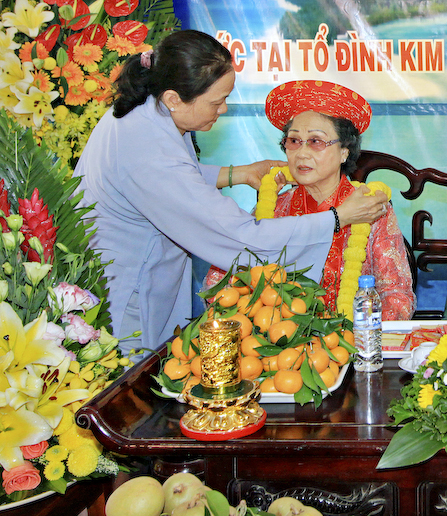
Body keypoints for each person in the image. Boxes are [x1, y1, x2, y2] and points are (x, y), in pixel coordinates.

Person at [75, 31, 388, 351]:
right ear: (173, 98)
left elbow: (181, 177)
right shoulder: (148, 146)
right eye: (216, 101)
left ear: (345, 150)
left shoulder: (152, 111)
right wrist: (336, 218)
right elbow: (239, 237)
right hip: (127, 290)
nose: (223, 109)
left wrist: (239, 174)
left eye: (317, 142)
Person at [263, 80, 415, 320]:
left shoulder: (371, 208)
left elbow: (398, 297)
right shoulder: (273, 209)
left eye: (316, 141)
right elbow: (221, 282)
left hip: (353, 336)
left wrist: (355, 334)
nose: (302, 153)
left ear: (344, 151)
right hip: (281, 338)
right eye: (293, 141)